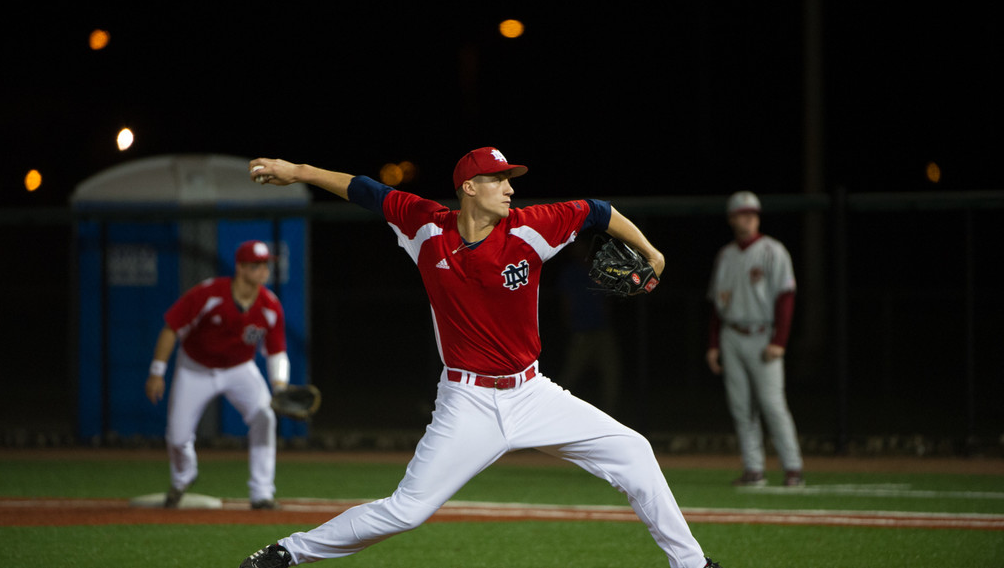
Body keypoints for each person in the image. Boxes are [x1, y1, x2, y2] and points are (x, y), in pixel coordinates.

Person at [240, 148, 722, 568]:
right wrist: (298, 170)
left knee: (633, 450)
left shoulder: (533, 227)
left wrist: (652, 253)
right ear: (469, 187)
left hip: (533, 392)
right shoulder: (426, 225)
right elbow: (365, 190)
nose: (509, 188)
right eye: (498, 179)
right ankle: (287, 553)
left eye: (510, 179)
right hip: (466, 401)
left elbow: (598, 210)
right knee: (408, 510)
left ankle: (693, 564)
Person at [145, 240, 289, 509]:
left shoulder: (270, 305)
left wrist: (279, 386)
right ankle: (183, 476)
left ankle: (261, 493)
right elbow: (171, 328)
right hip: (195, 369)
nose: (263, 270)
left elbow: (276, 351)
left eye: (265, 264)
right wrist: (157, 372)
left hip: (239, 369)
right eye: (256, 265)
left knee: (265, 417)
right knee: (177, 438)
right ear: (240, 267)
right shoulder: (209, 294)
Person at [705, 191, 804, 487]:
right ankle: (754, 469)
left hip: (763, 335)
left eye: (752, 213)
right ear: (732, 218)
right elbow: (716, 305)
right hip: (731, 335)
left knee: (772, 404)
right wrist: (713, 344)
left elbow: (786, 297)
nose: (748, 218)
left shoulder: (773, 251)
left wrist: (780, 340)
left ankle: (793, 467)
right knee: (740, 406)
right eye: (742, 214)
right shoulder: (725, 255)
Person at [556, 233, 621, 415]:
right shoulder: (570, 272)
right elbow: (565, 302)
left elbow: (607, 299)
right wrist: (569, 329)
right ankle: (556, 412)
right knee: (569, 376)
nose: (579, 250)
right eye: (575, 248)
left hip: (602, 330)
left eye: (581, 246)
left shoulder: (597, 269)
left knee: (611, 374)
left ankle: (609, 415)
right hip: (581, 332)